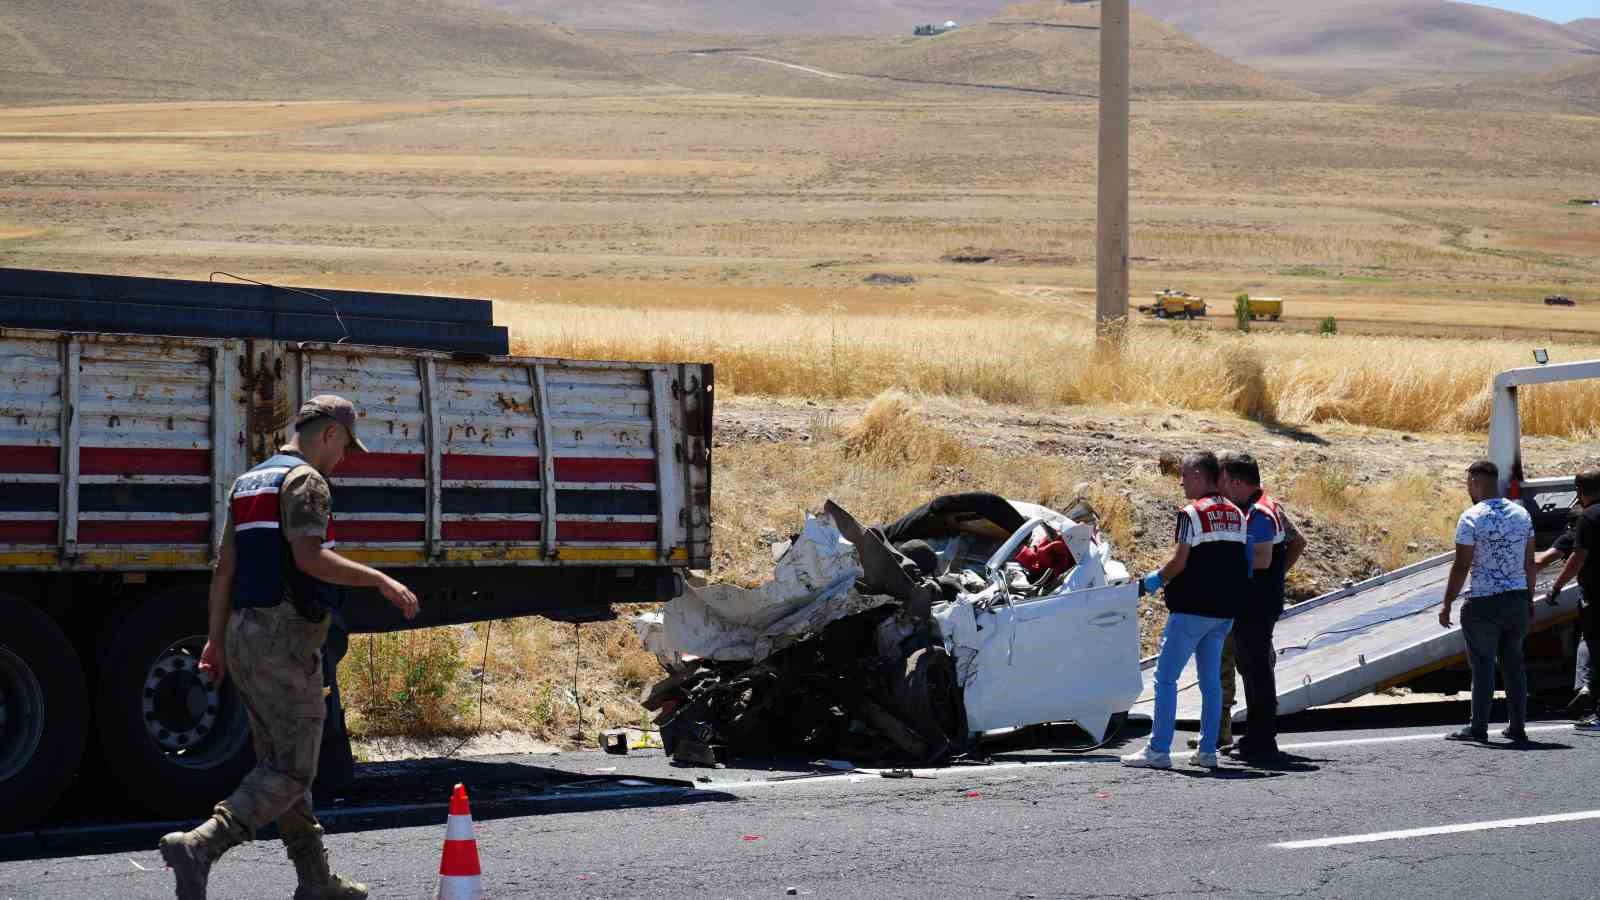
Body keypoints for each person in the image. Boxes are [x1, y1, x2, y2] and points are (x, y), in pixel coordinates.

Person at [160, 397, 421, 900]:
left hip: (244, 633)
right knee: (293, 767)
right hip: (284, 640)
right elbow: (310, 558)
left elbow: (224, 569)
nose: (342, 459)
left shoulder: (248, 482)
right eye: (344, 446)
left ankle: (315, 880)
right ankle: (201, 845)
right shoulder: (305, 482)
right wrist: (380, 580)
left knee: (278, 763)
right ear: (328, 434)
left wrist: (216, 639)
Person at [1123, 451, 1251, 770]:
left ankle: (1158, 749)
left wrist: (1149, 583)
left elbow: (1180, 562)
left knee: (1165, 678)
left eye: (1183, 475)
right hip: (1225, 612)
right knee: (1211, 681)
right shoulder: (1237, 513)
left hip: (1192, 609)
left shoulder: (1190, 513)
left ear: (1197, 474)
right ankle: (1207, 750)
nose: (1180, 481)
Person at [1217, 452, 1307, 762]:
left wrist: (1226, 566)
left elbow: (1262, 558)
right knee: (1253, 667)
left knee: (1257, 669)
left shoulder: (1259, 513)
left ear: (1237, 482)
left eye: (1224, 480)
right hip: (1257, 601)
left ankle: (1262, 739)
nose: (1220, 487)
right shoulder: (1261, 506)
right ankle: (1256, 735)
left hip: (1256, 604)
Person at [1438, 460, 1535, 744]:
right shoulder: (1522, 514)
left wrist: (1447, 602)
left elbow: (1461, 565)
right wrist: (1528, 597)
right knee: (1514, 665)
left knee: (1482, 666)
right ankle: (1517, 726)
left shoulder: (1470, 517)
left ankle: (1478, 727)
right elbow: (1529, 562)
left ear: (1474, 482)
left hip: (1482, 603)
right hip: (1517, 598)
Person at [1540, 470, 1600, 731]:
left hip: (1596, 595)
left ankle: (1593, 702)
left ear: (1579, 491)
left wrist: (1556, 585)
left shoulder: (1589, 517)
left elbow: (1578, 558)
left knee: (1594, 648)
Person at [1533, 504, 1592, 720]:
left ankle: (1585, 687)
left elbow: (1541, 561)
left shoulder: (1572, 536)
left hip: (1591, 596)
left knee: (1587, 642)